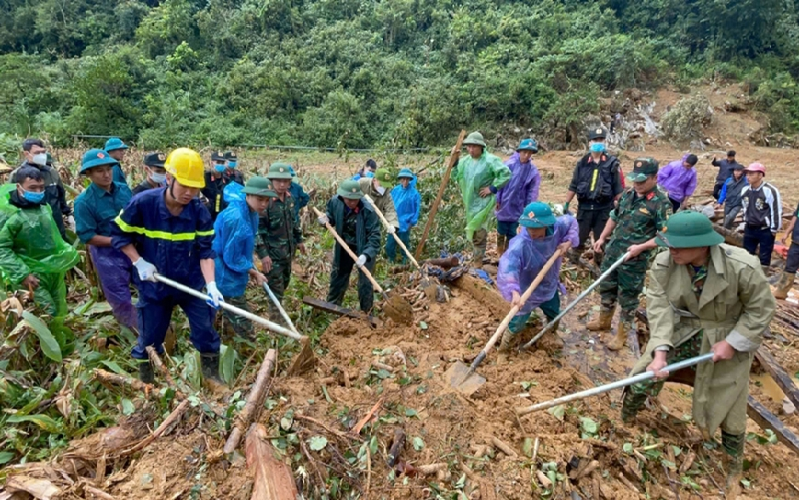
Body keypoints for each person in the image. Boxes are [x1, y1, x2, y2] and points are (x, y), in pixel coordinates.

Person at [622, 210, 775, 493]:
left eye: (679, 245)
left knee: (729, 404)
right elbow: (659, 307)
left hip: (726, 334)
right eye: (669, 243)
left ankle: (733, 465)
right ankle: (625, 427)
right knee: (642, 377)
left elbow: (761, 309)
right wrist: (660, 352)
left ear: (704, 244)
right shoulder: (664, 262)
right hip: (683, 328)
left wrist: (733, 342)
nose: (672, 250)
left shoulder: (742, 266)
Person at [112, 148, 224, 386]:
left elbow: (205, 252)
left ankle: (212, 378)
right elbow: (119, 236)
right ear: (169, 178)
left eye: (195, 188)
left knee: (205, 331)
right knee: (150, 338)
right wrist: (139, 261)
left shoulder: (199, 211)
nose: (190, 193)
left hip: (189, 283)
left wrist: (212, 285)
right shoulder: (143, 204)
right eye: (184, 186)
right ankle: (148, 383)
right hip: (154, 284)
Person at [588, 158, 672, 350]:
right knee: (607, 287)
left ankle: (621, 334)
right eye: (635, 180)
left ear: (655, 178)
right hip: (614, 251)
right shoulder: (628, 195)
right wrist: (602, 238)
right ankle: (604, 321)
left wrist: (641, 247)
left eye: (642, 181)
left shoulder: (661, 203)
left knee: (628, 298)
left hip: (634, 260)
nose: (637, 184)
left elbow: (665, 237)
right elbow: (614, 217)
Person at [0, 167, 79, 320]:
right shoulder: (13, 215)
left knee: (60, 309)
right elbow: (2, 247)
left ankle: (61, 341)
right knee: (46, 314)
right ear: (19, 187)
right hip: (30, 274)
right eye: (32, 188)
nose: (37, 192)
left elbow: (52, 239)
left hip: (51, 271)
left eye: (41, 188)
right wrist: (22, 274)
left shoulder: (44, 208)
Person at [497, 202, 577, 351]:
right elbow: (509, 267)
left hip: (548, 282)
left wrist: (568, 242)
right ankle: (504, 348)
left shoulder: (557, 227)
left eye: (536, 228)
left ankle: (551, 332)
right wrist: (514, 292)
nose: (532, 232)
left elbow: (572, 222)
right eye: (529, 228)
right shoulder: (521, 244)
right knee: (517, 321)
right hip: (526, 287)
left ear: (546, 225)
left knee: (553, 311)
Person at [74, 149, 137, 331]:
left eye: (108, 169)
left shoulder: (124, 190)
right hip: (108, 255)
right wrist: (115, 241)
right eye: (100, 171)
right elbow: (87, 236)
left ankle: (153, 323)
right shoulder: (84, 202)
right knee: (120, 296)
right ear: (89, 174)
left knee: (148, 285)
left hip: (134, 247)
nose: (106, 174)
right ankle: (134, 332)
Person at [214, 177, 275, 339]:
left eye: (267, 200)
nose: (263, 204)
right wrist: (253, 272)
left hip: (233, 268)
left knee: (227, 311)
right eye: (260, 199)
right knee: (240, 315)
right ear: (248, 195)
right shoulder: (237, 218)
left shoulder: (251, 212)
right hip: (224, 273)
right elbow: (231, 256)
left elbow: (244, 245)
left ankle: (227, 338)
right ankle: (249, 349)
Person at [318, 180, 381, 312]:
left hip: (364, 247)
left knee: (365, 281)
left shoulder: (368, 210)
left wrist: (366, 255)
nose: (352, 202)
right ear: (343, 196)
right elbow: (331, 216)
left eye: (355, 200)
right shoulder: (335, 202)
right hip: (344, 245)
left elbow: (375, 237)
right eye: (349, 199)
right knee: (339, 274)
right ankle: (332, 306)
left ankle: (366, 312)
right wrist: (326, 220)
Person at [256, 163, 306, 323]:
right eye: (278, 181)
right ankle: (276, 325)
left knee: (284, 284)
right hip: (272, 256)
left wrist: (299, 240)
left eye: (285, 181)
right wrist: (263, 255)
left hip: (287, 253)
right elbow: (258, 231)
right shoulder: (266, 202)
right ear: (271, 181)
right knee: (276, 290)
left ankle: (276, 316)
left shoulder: (290, 199)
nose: (282, 184)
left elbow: (294, 222)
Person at [563, 127, 624, 256]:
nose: (598, 142)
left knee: (601, 241)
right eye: (595, 140)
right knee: (578, 238)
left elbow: (618, 187)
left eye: (601, 139)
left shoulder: (612, 163)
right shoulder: (582, 163)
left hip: (603, 209)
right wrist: (566, 203)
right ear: (589, 142)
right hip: (584, 209)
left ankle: (599, 266)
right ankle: (575, 259)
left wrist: (622, 207)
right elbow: (574, 185)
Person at [452, 131, 511, 263]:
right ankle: (476, 258)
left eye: (474, 146)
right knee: (473, 233)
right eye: (468, 146)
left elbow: (505, 174)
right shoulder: (465, 162)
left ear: (481, 147)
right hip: (470, 204)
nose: (471, 149)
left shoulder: (490, 160)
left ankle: (477, 264)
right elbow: (455, 176)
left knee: (480, 234)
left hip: (484, 204)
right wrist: (454, 163)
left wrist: (492, 188)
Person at [11, 138, 70, 239]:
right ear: (26, 154)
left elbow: (61, 197)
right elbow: (10, 204)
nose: (42, 155)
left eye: (43, 152)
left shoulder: (52, 173)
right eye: (37, 152)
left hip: (56, 227)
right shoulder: (16, 175)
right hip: (30, 231)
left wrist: (69, 214)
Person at [495, 139, 541, 257]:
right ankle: (499, 250)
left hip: (519, 204)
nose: (526, 155)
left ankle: (507, 253)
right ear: (519, 151)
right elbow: (500, 183)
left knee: (513, 230)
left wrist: (529, 207)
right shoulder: (509, 165)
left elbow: (532, 191)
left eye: (529, 153)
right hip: (505, 201)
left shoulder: (532, 171)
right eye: (524, 152)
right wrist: (497, 199)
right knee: (501, 227)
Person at [740, 163, 782, 269]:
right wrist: (744, 221)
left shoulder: (770, 191)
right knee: (746, 255)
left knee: (764, 257)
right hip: (750, 227)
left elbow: (776, 210)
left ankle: (763, 279)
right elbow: (745, 207)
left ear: (760, 175)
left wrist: (774, 229)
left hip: (765, 229)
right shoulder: (745, 190)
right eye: (747, 174)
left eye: (751, 174)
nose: (748, 177)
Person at [387, 168, 421, 263]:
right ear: (401, 179)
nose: (405, 181)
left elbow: (416, 209)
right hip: (394, 221)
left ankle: (405, 262)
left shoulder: (414, 193)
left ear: (410, 180)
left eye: (407, 179)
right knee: (390, 244)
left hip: (405, 223)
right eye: (403, 179)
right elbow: (389, 204)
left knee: (404, 244)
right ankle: (391, 260)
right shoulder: (396, 190)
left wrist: (412, 222)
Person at [202, 151, 240, 221]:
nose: (220, 165)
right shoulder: (204, 178)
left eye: (222, 163)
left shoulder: (227, 180)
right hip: (206, 217)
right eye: (218, 162)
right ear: (211, 163)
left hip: (222, 217)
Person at [360, 168, 399, 234]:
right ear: (374, 180)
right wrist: (363, 199)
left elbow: (390, 210)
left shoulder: (386, 194)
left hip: (372, 222)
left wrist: (392, 224)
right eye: (381, 185)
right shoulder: (362, 183)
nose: (383, 188)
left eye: (385, 186)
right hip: (358, 217)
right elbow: (350, 193)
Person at [774, 203, 799, 299]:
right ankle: (781, 292)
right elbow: (795, 217)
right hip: (796, 241)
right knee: (789, 268)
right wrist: (786, 233)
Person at [717, 163, 747, 229]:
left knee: (730, 217)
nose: (736, 172)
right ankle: (727, 231)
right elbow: (723, 191)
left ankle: (724, 231)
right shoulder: (729, 180)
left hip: (738, 204)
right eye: (735, 170)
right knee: (726, 219)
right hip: (728, 202)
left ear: (742, 172)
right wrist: (720, 202)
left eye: (739, 171)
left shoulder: (746, 182)